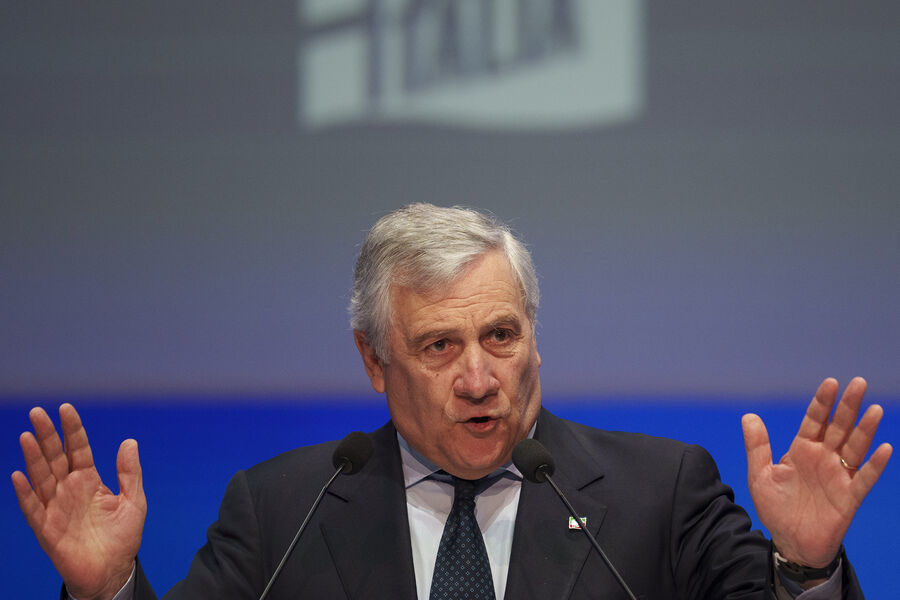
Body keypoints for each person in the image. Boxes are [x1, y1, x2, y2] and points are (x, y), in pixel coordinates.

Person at [13, 204, 892, 599]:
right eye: (439, 346)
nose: (480, 377)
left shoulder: (660, 493)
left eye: (501, 335)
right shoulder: (281, 510)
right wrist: (107, 593)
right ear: (374, 362)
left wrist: (806, 570)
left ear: (535, 339)